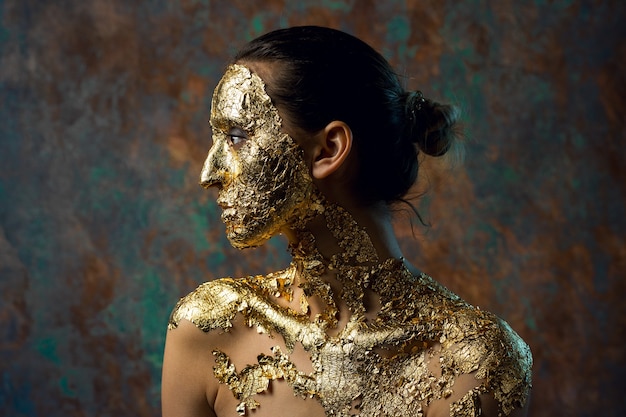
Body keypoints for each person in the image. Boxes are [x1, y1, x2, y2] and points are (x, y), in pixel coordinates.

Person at [161, 26, 532, 417]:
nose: (209, 172)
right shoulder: (208, 331)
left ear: (329, 149)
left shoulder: (476, 362)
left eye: (236, 136)